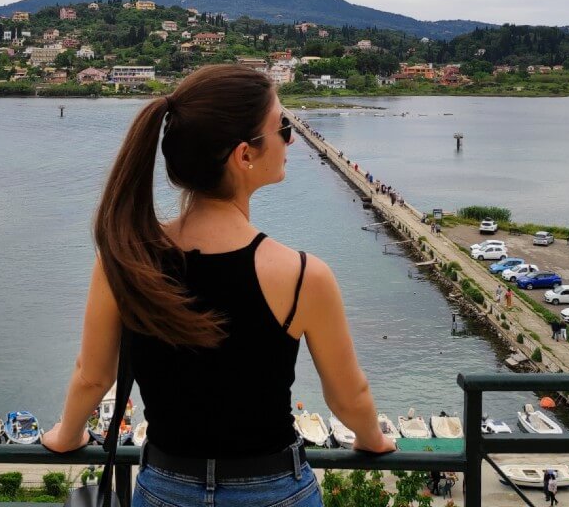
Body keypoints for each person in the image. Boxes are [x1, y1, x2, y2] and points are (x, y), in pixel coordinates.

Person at [41, 65, 394, 507]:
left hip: (165, 487)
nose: (292, 138)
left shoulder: (127, 260)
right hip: (275, 490)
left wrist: (66, 434)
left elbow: (93, 377)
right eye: (283, 127)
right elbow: (348, 395)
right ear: (244, 155)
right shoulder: (303, 275)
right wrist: (373, 439)